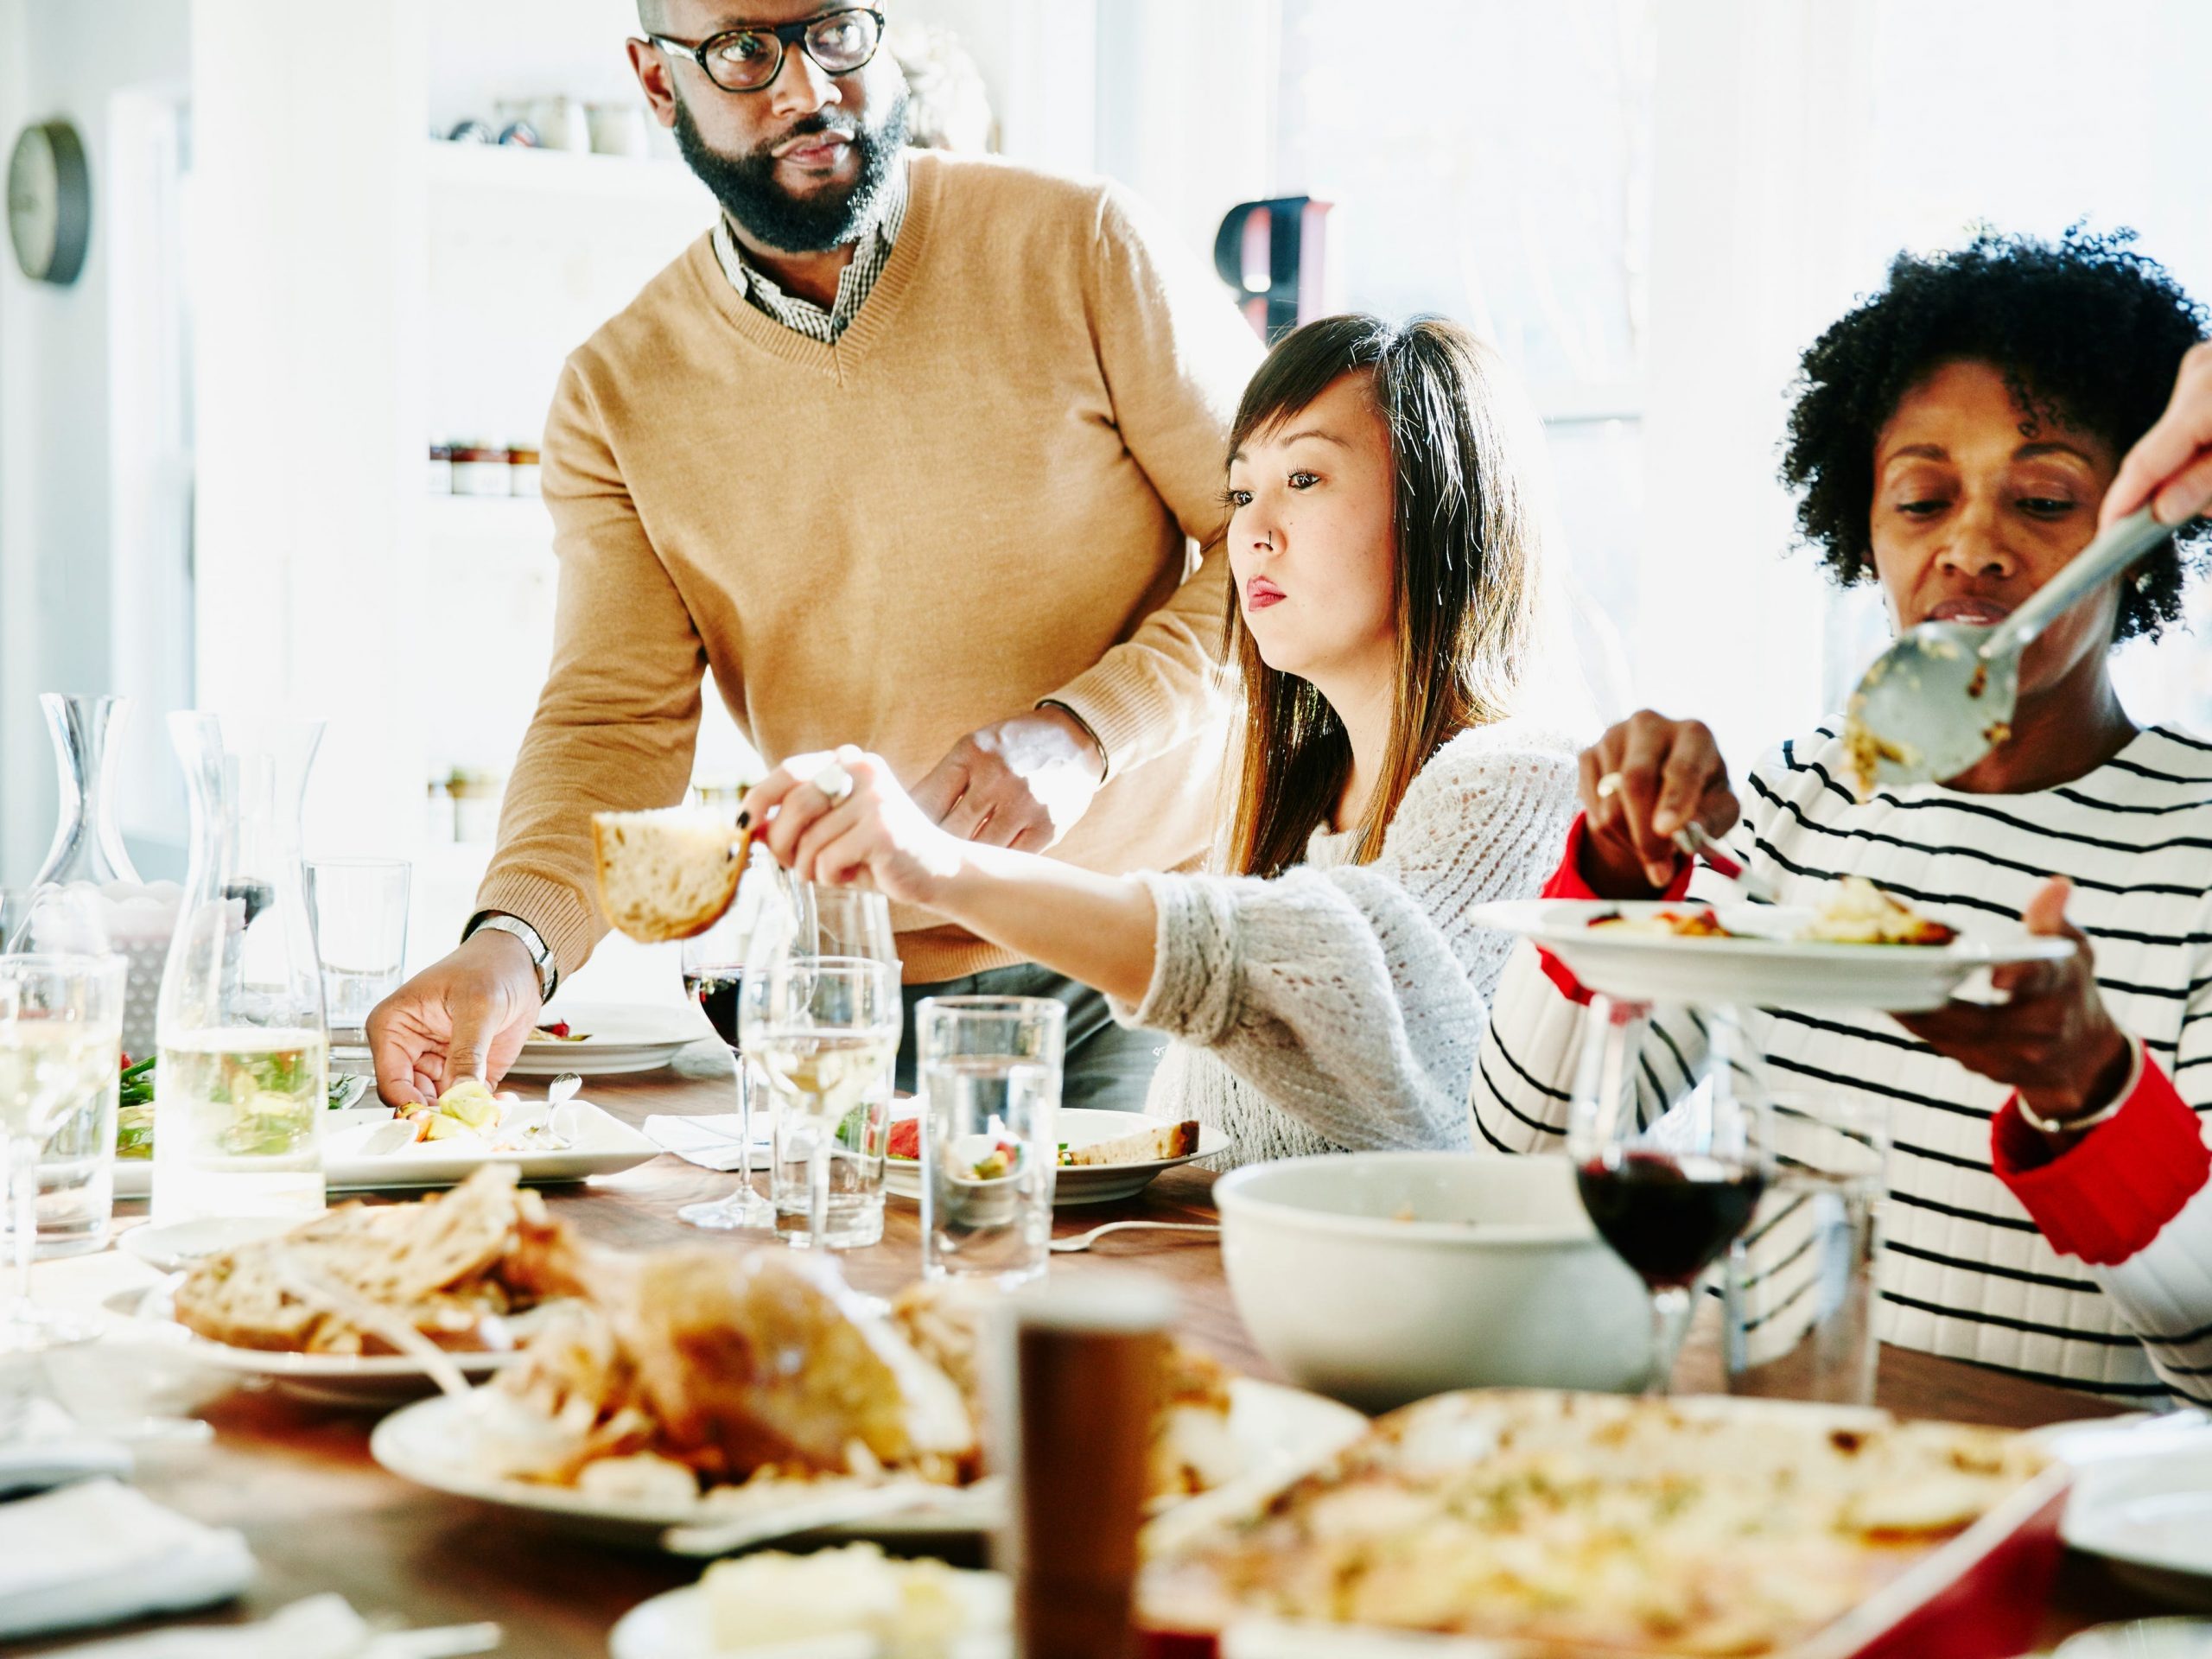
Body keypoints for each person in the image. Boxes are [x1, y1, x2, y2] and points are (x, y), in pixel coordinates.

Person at [366, 0, 1261, 1111]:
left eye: (834, 32)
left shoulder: (1083, 245)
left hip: (1143, 949)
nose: (804, 89)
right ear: (656, 84)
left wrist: (1084, 735)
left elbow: (1273, 552)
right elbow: (611, 717)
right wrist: (514, 945)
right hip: (852, 982)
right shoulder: (616, 392)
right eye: (744, 50)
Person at [1475, 228, 2212, 1407]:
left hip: (2064, 1516)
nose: (1971, 545)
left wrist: (2092, 1089)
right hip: (1773, 1467)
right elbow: (1528, 1141)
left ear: (2143, 525)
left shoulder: (2197, 848)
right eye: (1923, 498)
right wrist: (1622, 878)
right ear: (1864, 529)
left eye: (2043, 498)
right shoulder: (1798, 802)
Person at [737, 315, 1581, 1165]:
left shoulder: (1520, 777)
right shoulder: (1288, 808)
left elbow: (1331, 977)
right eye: (1243, 492)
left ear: (1440, 504)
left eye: (1306, 478)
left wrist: (941, 864)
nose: (1254, 531)